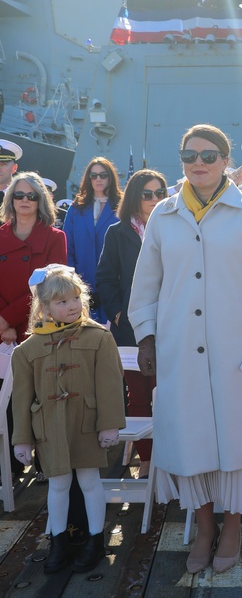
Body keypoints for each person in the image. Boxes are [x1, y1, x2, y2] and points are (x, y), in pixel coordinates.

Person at [129, 124, 242, 575]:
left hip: (238, 347)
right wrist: (145, 335)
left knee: (235, 440)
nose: (198, 162)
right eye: (188, 154)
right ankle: (203, 526)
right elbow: (146, 285)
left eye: (208, 154)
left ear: (224, 160)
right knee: (190, 438)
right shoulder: (163, 215)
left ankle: (233, 525)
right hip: (180, 347)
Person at [11, 264, 126, 574]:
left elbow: (111, 385)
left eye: (76, 297)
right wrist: (21, 439)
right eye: (62, 302)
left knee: (90, 481)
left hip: (87, 424)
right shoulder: (27, 350)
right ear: (44, 307)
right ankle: (58, 541)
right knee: (58, 485)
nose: (72, 305)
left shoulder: (99, 337)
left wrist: (110, 424)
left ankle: (95, 540)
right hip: (49, 428)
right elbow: (21, 400)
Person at [96, 169, 168, 480]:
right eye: (147, 194)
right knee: (138, 395)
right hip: (129, 330)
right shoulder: (117, 232)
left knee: (167, 394)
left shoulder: (174, 229)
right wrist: (116, 314)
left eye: (160, 194)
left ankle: (170, 458)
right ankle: (148, 459)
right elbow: (106, 278)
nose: (154, 200)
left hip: (170, 326)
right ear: (135, 197)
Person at [0, 172, 67, 344]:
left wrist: (8, 319)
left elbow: (50, 287)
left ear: (41, 200)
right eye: (19, 195)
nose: (25, 200)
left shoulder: (55, 238)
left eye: (32, 196)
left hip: (35, 328)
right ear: (11, 199)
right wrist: (3, 323)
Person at [63, 157, 121, 324]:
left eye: (103, 175)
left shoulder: (122, 206)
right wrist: (74, 283)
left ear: (110, 177)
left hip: (113, 284)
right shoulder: (76, 208)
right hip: (81, 283)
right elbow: (68, 246)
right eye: (93, 175)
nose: (98, 179)